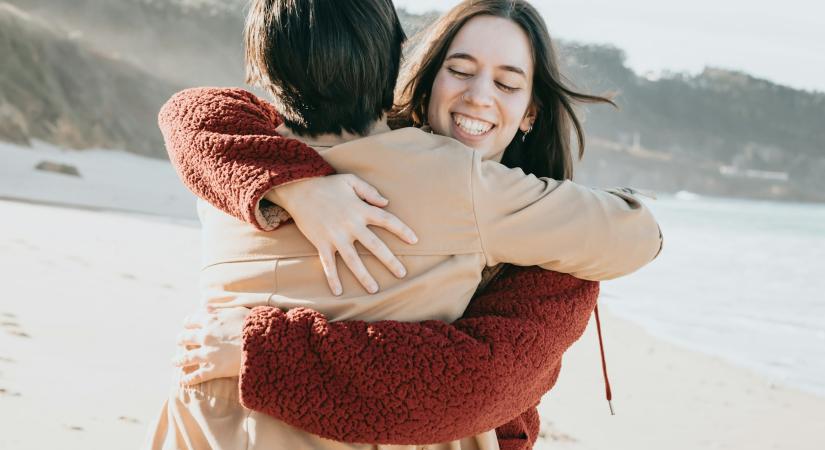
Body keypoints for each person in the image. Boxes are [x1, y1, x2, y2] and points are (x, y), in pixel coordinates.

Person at [146, 0, 661, 449]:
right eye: (460, 70)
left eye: (507, 82)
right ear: (417, 71)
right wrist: (298, 185)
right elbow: (194, 114)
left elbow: (470, 385)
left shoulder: (553, 255)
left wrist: (262, 348)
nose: (480, 96)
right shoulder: (440, 179)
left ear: (532, 111)